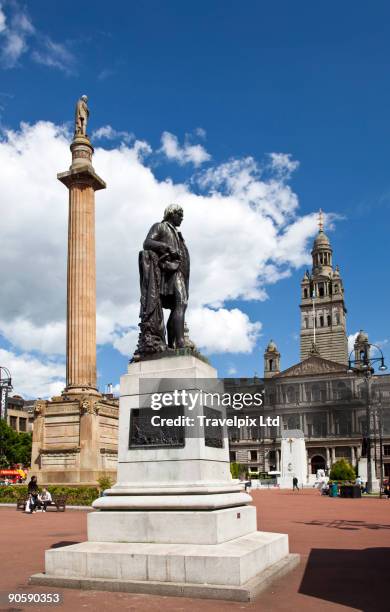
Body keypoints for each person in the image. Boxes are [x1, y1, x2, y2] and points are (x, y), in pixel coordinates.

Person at [135, 204, 190, 357]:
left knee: (178, 306)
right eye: (180, 214)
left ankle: (173, 343)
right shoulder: (159, 227)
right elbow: (147, 243)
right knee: (181, 303)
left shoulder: (177, 233)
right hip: (169, 272)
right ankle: (180, 343)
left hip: (179, 272)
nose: (182, 218)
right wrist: (166, 247)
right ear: (171, 214)